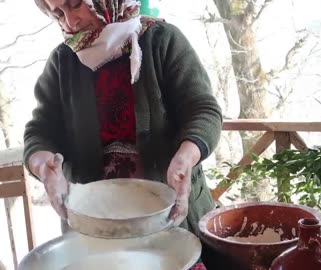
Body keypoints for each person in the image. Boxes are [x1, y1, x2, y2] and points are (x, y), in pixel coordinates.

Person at [23, 0, 222, 235]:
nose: (69, 21)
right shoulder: (63, 61)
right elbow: (40, 132)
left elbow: (203, 110)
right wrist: (44, 166)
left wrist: (185, 159)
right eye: (57, 13)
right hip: (96, 225)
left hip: (169, 216)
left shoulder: (161, 40)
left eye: (75, 4)